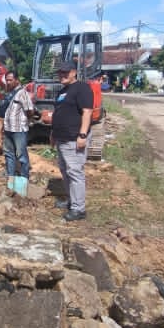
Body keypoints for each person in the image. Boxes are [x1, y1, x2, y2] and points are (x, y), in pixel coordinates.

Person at [51, 61, 95, 222]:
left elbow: (87, 112)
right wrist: (53, 133)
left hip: (73, 138)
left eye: (65, 72)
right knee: (65, 171)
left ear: (74, 72)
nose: (61, 75)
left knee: (75, 172)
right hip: (61, 138)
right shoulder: (63, 91)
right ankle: (72, 201)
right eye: (60, 72)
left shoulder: (82, 88)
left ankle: (79, 209)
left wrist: (82, 135)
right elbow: (59, 112)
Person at [0, 69, 34, 197]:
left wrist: (24, 121)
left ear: (17, 80)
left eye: (10, 80)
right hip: (8, 129)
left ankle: (22, 185)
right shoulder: (9, 93)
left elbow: (30, 110)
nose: (8, 82)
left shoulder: (22, 93)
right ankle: (11, 183)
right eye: (6, 80)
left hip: (19, 130)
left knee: (21, 156)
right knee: (9, 155)